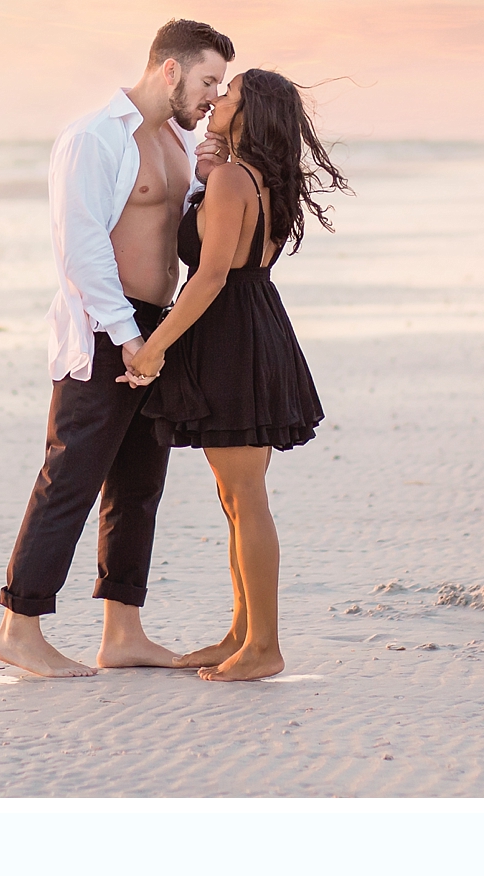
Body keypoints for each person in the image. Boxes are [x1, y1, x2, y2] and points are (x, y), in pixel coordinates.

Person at [0, 19, 236, 678]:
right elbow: (83, 247)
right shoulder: (92, 138)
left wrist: (209, 182)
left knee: (138, 486)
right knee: (71, 476)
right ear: (169, 69)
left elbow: (175, 230)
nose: (213, 96)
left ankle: (122, 632)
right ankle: (20, 627)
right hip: (106, 332)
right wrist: (126, 338)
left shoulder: (175, 142)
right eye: (208, 80)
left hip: (158, 330)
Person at [120, 67, 350, 681]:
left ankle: (265, 646)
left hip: (233, 337)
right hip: (251, 327)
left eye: (231, 93)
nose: (217, 97)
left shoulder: (232, 180)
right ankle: (241, 633)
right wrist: (204, 176)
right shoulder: (251, 177)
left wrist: (153, 348)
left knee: (246, 498)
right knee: (234, 498)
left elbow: (211, 275)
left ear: (251, 114)